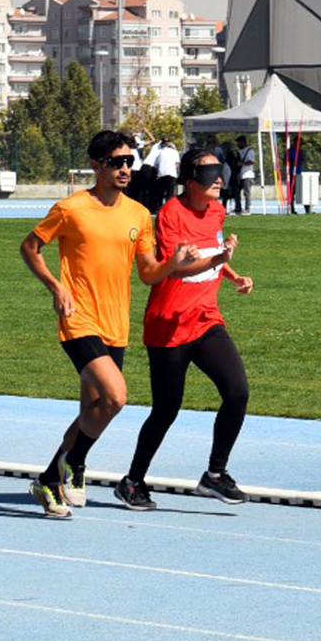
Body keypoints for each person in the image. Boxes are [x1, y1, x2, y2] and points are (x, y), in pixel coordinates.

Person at [20, 130, 199, 518]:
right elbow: (29, 247)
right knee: (116, 397)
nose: (125, 169)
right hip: (78, 317)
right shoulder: (70, 208)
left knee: (94, 407)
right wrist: (55, 287)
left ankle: (52, 477)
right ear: (96, 166)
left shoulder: (137, 213)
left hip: (115, 322)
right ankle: (72, 463)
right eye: (116, 162)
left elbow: (148, 273)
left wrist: (174, 264)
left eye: (129, 162)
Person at [116, 147, 255, 511]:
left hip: (206, 318)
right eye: (211, 174)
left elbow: (212, 251)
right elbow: (176, 269)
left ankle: (214, 475)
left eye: (221, 171)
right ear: (191, 181)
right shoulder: (170, 216)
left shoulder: (218, 210)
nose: (220, 180)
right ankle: (132, 481)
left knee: (237, 392)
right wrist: (219, 258)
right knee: (166, 409)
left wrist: (233, 274)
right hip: (168, 326)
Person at [152, 139, 181, 213]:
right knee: (170, 194)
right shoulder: (175, 152)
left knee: (160, 194)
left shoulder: (160, 152)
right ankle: (169, 210)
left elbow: (156, 164)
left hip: (162, 174)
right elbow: (177, 164)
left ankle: (158, 210)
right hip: (172, 174)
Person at [235, 135, 255, 215]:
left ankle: (247, 208)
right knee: (237, 192)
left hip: (248, 175)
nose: (238, 145)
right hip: (240, 175)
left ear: (243, 142)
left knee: (247, 192)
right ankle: (238, 207)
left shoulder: (250, 150)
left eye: (239, 143)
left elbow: (251, 161)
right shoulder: (239, 151)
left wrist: (242, 163)